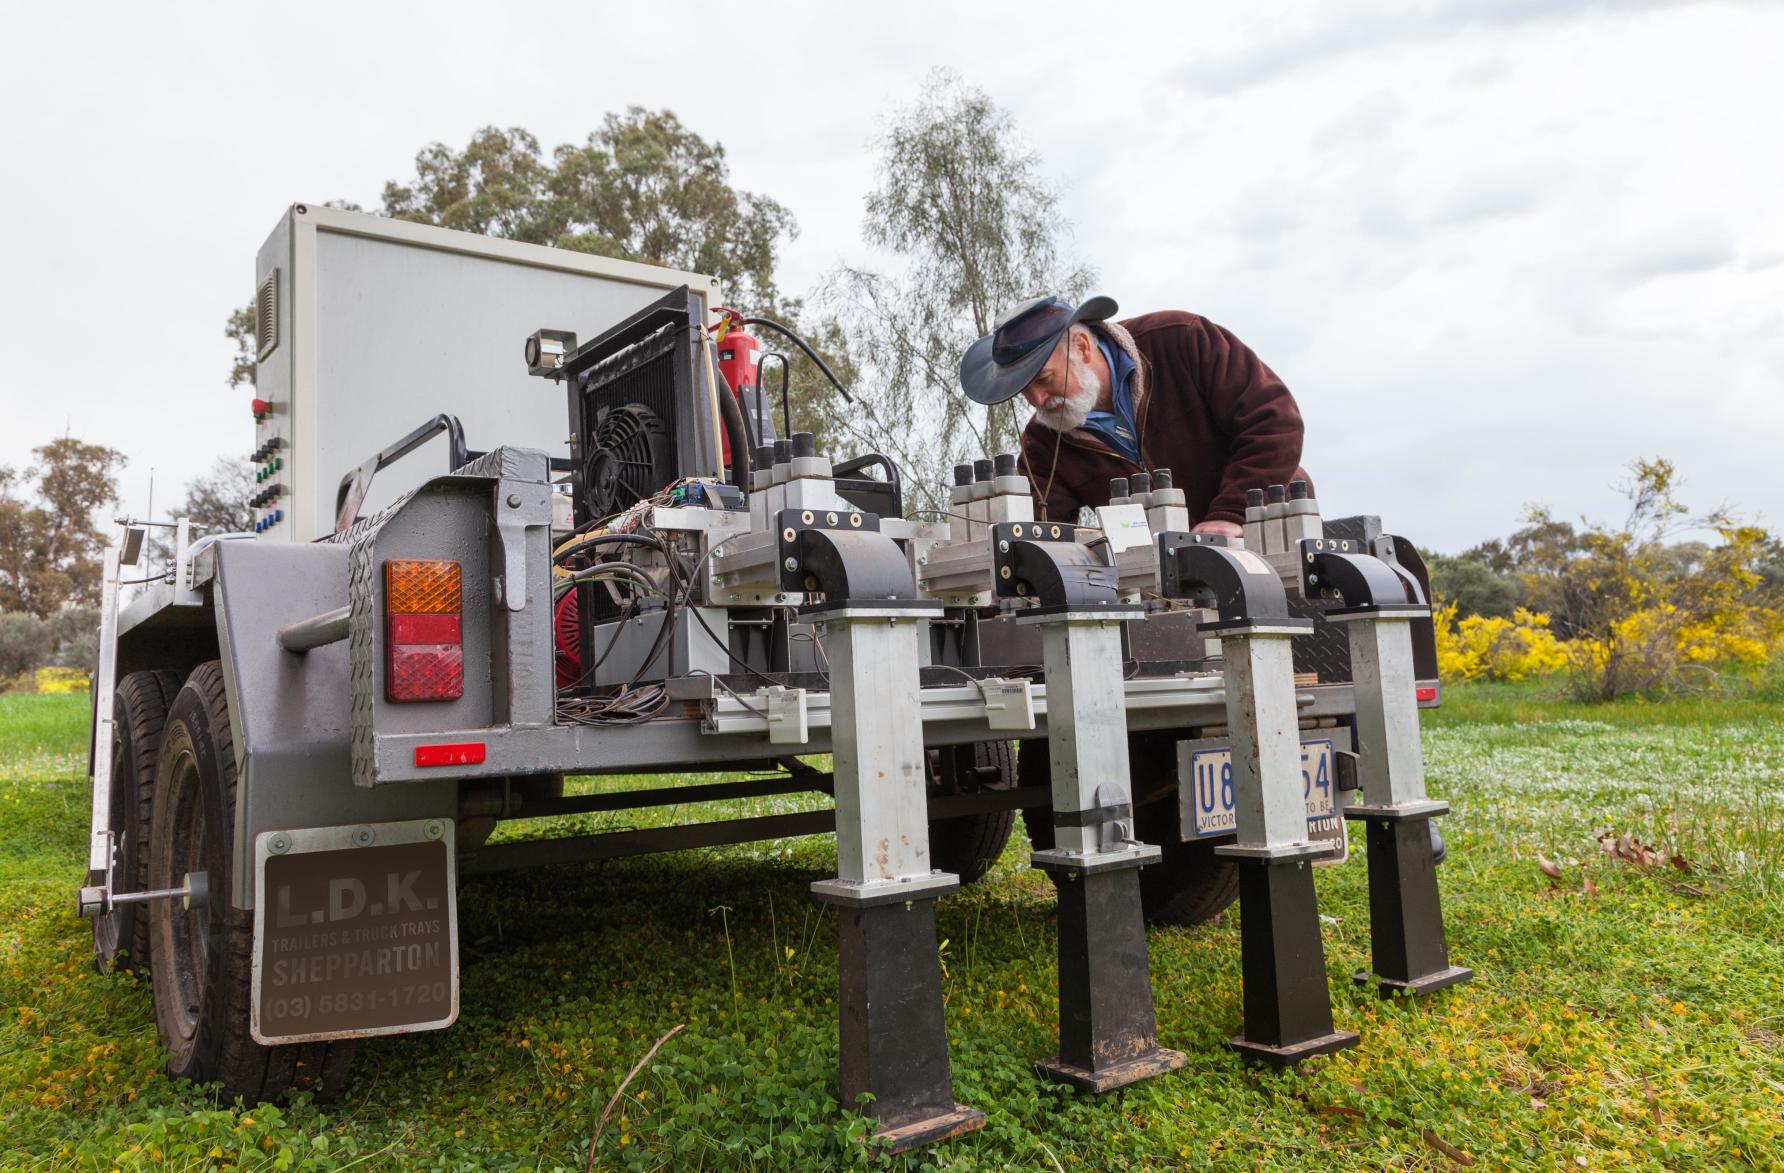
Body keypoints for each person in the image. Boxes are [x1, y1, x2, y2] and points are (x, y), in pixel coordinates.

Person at [958, 295, 1312, 534]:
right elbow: (1045, 531)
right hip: (1165, 587)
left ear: (1081, 347)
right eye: (1024, 391)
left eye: (1045, 379)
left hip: (1267, 532)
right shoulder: (1043, 444)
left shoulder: (1181, 340)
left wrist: (1230, 515)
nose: (1037, 399)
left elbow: (1274, 422)